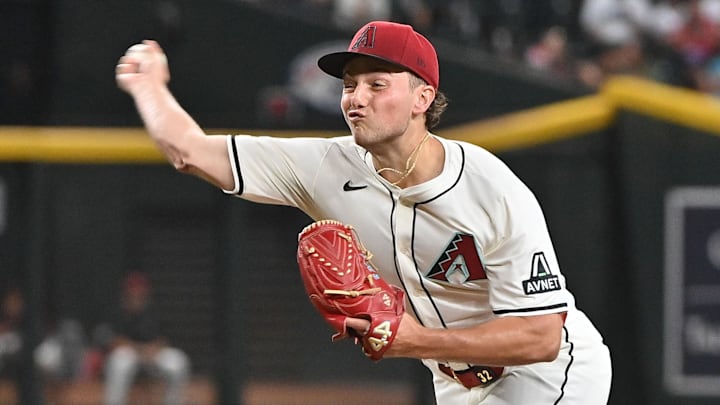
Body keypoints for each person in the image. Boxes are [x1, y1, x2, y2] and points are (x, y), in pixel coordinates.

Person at [115, 20, 612, 404]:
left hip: (551, 376)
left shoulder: (490, 189)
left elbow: (541, 336)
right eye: (350, 86)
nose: (356, 100)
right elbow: (191, 152)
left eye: (377, 85)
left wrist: (414, 340)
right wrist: (148, 88)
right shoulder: (326, 166)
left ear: (423, 97)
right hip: (459, 384)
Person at [101, 272, 190, 405]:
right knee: (118, 361)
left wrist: (154, 349)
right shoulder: (116, 311)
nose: (136, 296)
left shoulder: (154, 311)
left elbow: (164, 339)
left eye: (140, 293)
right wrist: (139, 349)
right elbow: (113, 341)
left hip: (152, 356)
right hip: (130, 355)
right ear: (126, 294)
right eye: (133, 293)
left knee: (178, 361)